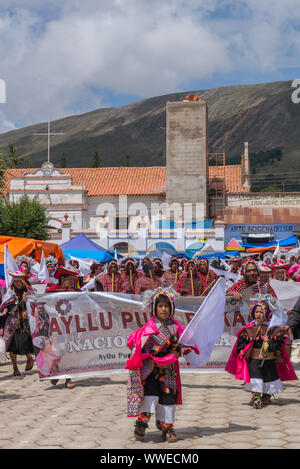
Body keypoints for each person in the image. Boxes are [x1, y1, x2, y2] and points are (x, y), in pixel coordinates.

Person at [125, 288, 199, 442]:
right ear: (154, 308)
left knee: (168, 397)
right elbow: (138, 346)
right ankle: (141, 424)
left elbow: (182, 344)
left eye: (167, 306)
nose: (164, 309)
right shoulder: (148, 329)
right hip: (151, 370)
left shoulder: (177, 328)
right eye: (160, 306)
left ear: (171, 308)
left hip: (168, 370)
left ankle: (167, 427)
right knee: (149, 397)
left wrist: (183, 350)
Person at [225, 297, 297, 408]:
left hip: (269, 360)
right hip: (254, 359)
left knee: (269, 377)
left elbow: (278, 345)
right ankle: (256, 397)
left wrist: (270, 341)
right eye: (257, 312)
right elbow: (242, 343)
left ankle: (266, 396)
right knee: (256, 377)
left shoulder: (273, 329)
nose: (258, 314)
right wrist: (242, 350)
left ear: (267, 314)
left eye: (261, 312)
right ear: (253, 313)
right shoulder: (249, 329)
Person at [45, 265, 81, 388]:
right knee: (58, 351)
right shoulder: (52, 291)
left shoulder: (76, 292)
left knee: (71, 351)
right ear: (62, 279)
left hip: (72, 327)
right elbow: (42, 303)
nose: (73, 282)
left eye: (73, 279)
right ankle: (56, 373)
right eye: (70, 279)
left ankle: (68, 378)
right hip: (57, 327)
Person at [0, 272, 34, 376]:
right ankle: (15, 368)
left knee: (25, 343)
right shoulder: (10, 293)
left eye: (19, 281)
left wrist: (26, 304)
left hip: (25, 323)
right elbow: (4, 304)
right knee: (12, 346)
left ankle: (29, 358)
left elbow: (35, 306)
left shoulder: (29, 292)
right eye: (15, 281)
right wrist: (5, 309)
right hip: (11, 323)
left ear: (23, 282)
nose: (18, 283)